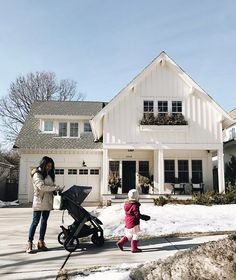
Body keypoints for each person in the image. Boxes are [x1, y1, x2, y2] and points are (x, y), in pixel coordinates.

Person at [26, 156, 62, 253]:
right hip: (39, 201)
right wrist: (54, 188)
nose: (49, 168)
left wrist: (56, 188)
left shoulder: (49, 175)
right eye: (48, 166)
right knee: (35, 222)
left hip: (48, 201)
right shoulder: (37, 174)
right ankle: (29, 243)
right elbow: (41, 186)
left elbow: (51, 186)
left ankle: (41, 242)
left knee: (44, 222)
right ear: (43, 164)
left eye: (51, 166)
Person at [116, 189, 150, 253]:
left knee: (129, 233)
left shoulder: (127, 204)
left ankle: (121, 242)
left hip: (128, 221)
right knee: (135, 234)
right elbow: (137, 214)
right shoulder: (135, 205)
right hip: (134, 222)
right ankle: (134, 248)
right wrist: (144, 217)